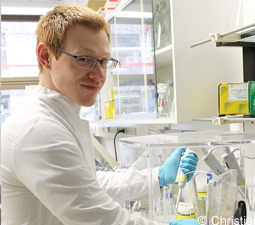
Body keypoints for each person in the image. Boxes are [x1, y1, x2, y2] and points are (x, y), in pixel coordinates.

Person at [1, 4, 200, 225]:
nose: (98, 75)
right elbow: (104, 221)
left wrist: (157, 176)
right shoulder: (38, 130)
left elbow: (88, 184)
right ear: (46, 56)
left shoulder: (58, 117)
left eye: (104, 61)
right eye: (84, 59)